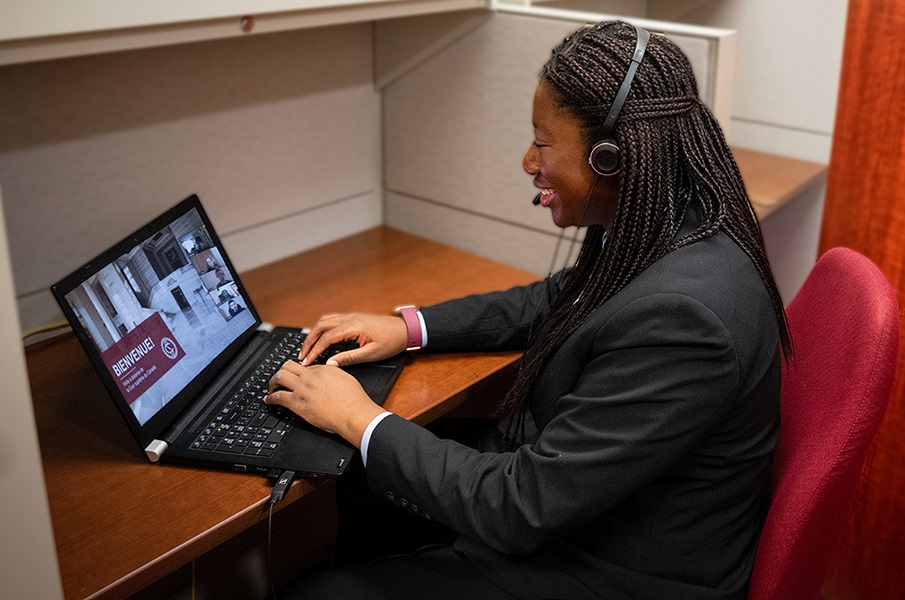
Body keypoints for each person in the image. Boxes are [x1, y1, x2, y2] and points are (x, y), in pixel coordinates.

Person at [264, 20, 791, 600]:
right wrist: (408, 327)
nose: (526, 161)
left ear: (611, 158)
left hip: (610, 570)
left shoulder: (685, 321)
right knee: (365, 481)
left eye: (542, 144)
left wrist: (357, 417)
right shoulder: (670, 220)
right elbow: (557, 297)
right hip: (594, 508)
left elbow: (520, 506)